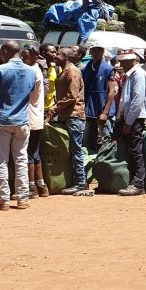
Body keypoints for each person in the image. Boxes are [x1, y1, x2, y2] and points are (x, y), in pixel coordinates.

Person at [0, 41, 37, 210]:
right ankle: (23, 198)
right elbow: (29, 93)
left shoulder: (0, 70)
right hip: (22, 121)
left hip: (3, 120)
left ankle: (3, 199)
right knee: (21, 159)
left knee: (0, 160)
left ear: (5, 51)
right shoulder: (31, 72)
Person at [53, 47, 89, 195]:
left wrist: (54, 108)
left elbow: (72, 95)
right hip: (66, 115)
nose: (55, 56)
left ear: (66, 57)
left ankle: (81, 182)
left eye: (58, 54)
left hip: (74, 116)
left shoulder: (72, 72)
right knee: (71, 150)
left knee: (76, 150)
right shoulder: (64, 70)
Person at [114, 51, 146, 196]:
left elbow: (137, 100)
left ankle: (138, 184)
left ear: (133, 60)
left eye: (124, 61)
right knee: (131, 150)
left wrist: (129, 122)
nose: (121, 64)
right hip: (127, 118)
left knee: (135, 151)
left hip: (134, 119)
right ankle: (133, 181)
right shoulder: (129, 75)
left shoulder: (139, 74)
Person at [21, 44, 48, 198]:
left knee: (29, 154)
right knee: (35, 153)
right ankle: (41, 185)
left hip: (30, 118)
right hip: (36, 118)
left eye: (25, 56)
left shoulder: (31, 71)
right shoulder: (37, 69)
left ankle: (32, 188)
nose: (23, 58)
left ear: (34, 56)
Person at [82, 43, 116, 153]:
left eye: (99, 50)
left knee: (106, 142)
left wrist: (105, 112)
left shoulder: (108, 69)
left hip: (103, 111)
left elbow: (111, 91)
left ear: (103, 51)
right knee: (86, 141)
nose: (96, 52)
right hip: (89, 111)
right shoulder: (86, 68)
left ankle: (106, 165)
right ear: (90, 51)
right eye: (94, 50)